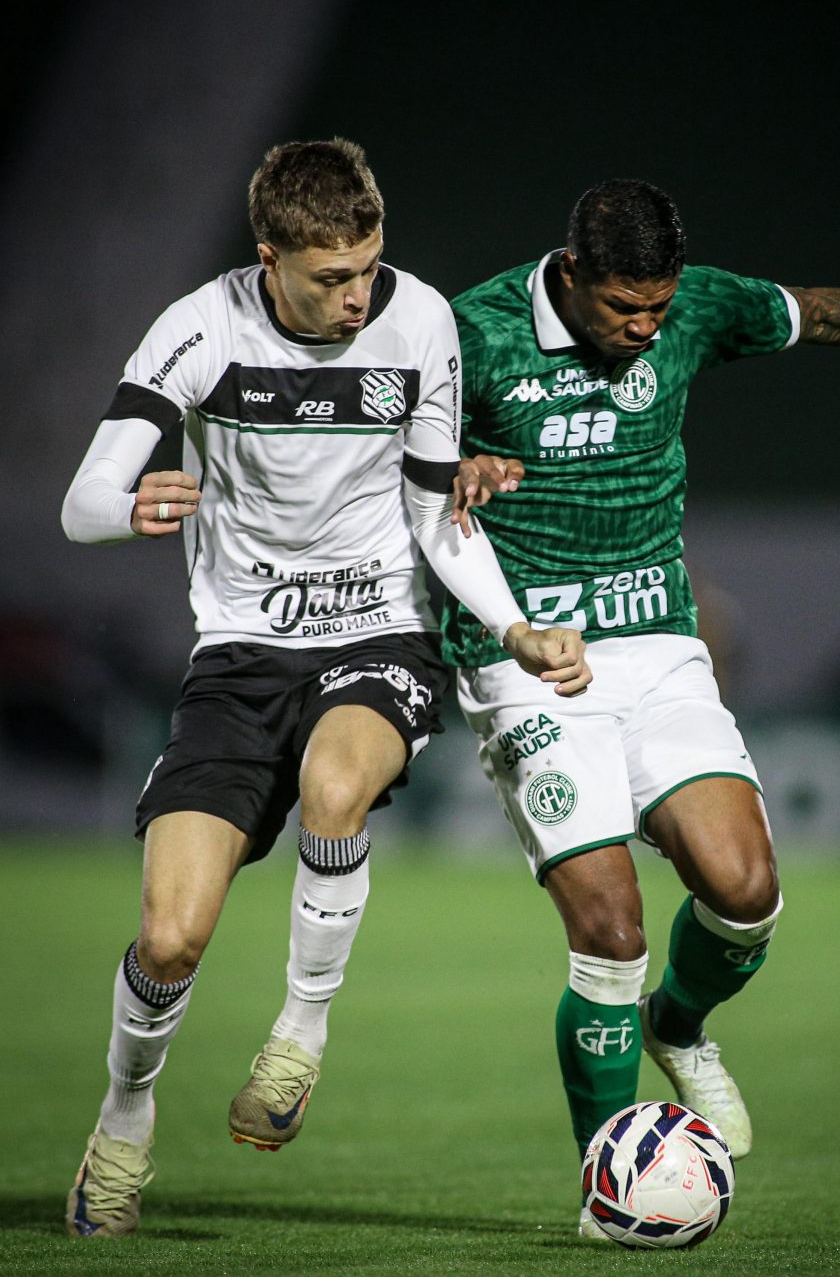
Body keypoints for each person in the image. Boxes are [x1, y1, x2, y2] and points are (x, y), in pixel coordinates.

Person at [439, 178, 840, 1238]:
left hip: (660, 647)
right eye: (623, 308)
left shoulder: (694, 306)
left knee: (745, 891)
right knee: (610, 931)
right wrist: (453, 471)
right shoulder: (470, 332)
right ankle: (606, 1180)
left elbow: (829, 311)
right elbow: (389, 457)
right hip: (528, 657)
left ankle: (681, 1025)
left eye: (657, 310)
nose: (642, 329)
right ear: (570, 275)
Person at [60, 137, 591, 1241]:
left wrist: (511, 625)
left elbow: (433, 512)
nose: (356, 295)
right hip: (240, 657)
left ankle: (300, 1032)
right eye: (328, 278)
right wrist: (138, 509)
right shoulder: (199, 329)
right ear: (270, 258)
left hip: (379, 633)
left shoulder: (419, 321)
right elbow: (83, 502)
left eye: (367, 267)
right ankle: (123, 1118)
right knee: (168, 941)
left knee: (335, 784)